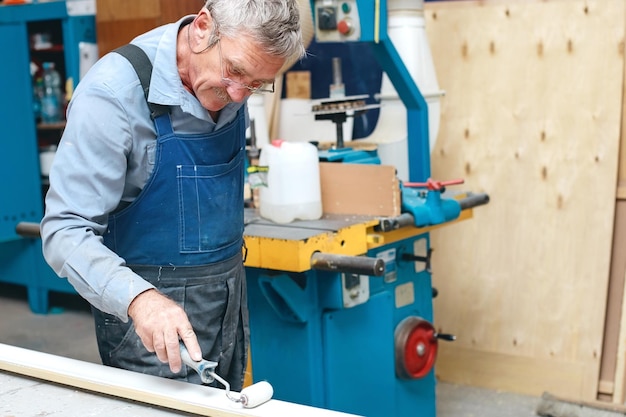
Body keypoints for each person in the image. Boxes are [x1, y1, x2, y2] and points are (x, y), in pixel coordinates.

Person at [40, 0, 305, 391]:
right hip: (150, 326)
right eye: (234, 72)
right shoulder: (112, 94)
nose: (236, 95)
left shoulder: (230, 84)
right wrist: (139, 300)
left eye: (254, 85)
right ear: (202, 28)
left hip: (228, 302)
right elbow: (64, 230)